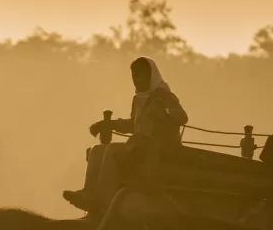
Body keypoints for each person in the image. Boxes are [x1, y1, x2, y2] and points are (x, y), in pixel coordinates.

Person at [63, 56, 188, 213]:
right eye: (134, 76)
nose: (136, 80)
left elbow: (182, 117)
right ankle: (88, 192)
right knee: (97, 150)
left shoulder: (164, 95)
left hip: (158, 149)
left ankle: (102, 198)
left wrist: (164, 114)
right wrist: (108, 124)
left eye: (140, 76)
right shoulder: (138, 99)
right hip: (139, 145)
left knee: (112, 150)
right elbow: (133, 124)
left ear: (150, 76)